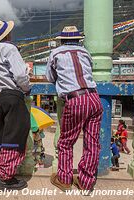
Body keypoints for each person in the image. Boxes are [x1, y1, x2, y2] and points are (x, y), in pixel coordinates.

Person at [46, 26, 103, 192]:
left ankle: (64, 179)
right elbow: (88, 71)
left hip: (75, 100)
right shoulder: (85, 52)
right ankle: (86, 182)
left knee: (65, 142)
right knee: (92, 143)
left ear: (62, 40)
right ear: (78, 40)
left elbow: (50, 77)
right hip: (94, 98)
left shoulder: (55, 53)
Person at [0, 20, 31, 190]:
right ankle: (6, 177)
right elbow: (20, 75)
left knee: (2, 137)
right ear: (8, 35)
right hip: (12, 96)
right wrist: (27, 89)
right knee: (15, 136)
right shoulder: (9, 48)